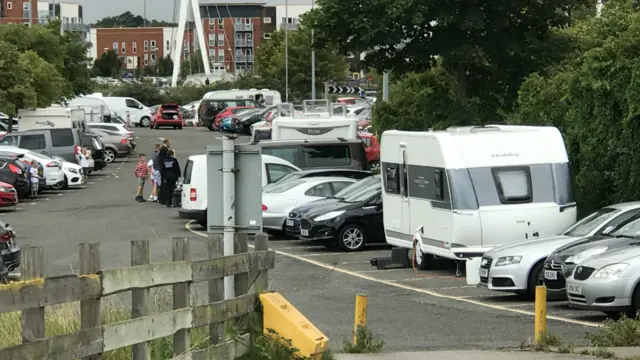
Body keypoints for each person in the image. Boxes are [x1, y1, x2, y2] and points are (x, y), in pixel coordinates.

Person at [157, 138, 171, 205]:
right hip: (164, 169)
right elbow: (164, 160)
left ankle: (162, 199)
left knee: (163, 184)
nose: (170, 144)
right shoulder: (164, 149)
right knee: (164, 185)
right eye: (169, 143)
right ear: (166, 142)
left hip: (162, 169)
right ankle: (163, 199)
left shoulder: (162, 149)